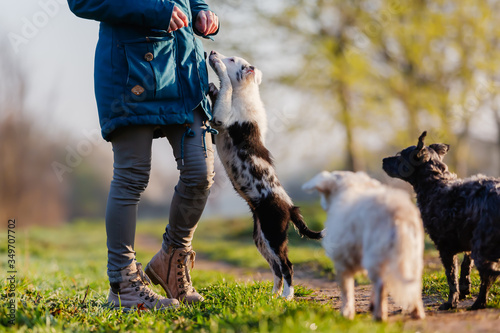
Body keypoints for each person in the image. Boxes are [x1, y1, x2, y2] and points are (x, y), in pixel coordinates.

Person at [67, 0, 219, 310]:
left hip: (184, 70)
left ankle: (171, 260)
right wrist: (156, 11)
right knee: (132, 176)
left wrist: (201, 10)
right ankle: (123, 284)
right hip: (130, 71)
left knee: (200, 172)